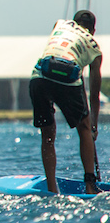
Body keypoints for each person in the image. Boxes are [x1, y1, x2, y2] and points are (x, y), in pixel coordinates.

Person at [30, 10, 102, 194]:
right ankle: (90, 186)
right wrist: (93, 125)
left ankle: (52, 189)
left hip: (40, 77)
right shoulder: (94, 46)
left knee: (47, 134)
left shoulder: (60, 24)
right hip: (67, 80)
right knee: (83, 129)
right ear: (93, 30)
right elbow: (94, 95)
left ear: (73, 22)